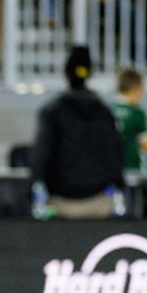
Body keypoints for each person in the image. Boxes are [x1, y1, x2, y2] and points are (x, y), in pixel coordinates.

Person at [30, 46, 125, 219]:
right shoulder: (104, 112)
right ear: (89, 75)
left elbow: (41, 156)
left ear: (65, 74)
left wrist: (35, 188)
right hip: (100, 202)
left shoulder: (53, 111)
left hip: (61, 203)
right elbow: (116, 155)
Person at [112, 68, 147, 171]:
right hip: (133, 167)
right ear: (137, 88)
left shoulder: (109, 111)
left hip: (112, 168)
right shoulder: (136, 113)